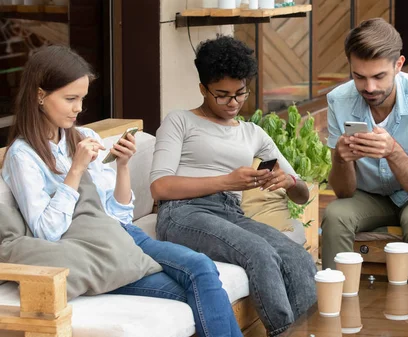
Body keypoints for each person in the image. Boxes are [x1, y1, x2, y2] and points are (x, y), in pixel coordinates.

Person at [2, 45, 242, 337]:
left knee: (202, 270)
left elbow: (119, 216)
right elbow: (46, 231)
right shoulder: (23, 156)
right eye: (70, 99)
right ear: (40, 95)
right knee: (199, 279)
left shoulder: (83, 136)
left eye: (82, 99)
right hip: (93, 252)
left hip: (123, 236)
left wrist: (123, 167)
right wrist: (75, 170)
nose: (78, 108)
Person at [150, 35, 317, 337]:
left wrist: (289, 181)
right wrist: (228, 181)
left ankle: (306, 331)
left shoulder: (253, 133)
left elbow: (302, 194)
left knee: (297, 257)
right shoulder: (180, 122)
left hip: (230, 214)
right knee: (258, 251)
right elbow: (160, 187)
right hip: (184, 213)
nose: (233, 103)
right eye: (222, 95)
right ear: (203, 89)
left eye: (240, 94)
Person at [321, 18, 408, 282]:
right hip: (372, 195)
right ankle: (335, 305)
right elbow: (344, 192)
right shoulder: (339, 100)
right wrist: (341, 159)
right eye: (359, 76)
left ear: (398, 65)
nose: (369, 88)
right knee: (335, 213)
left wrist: (393, 152)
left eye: (379, 76)